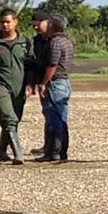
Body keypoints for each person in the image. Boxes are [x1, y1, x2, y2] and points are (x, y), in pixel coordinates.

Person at [0, 9, 35, 165]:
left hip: (19, 87)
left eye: (8, 22)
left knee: (15, 118)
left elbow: (30, 65)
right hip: (0, 85)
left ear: (16, 22)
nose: (5, 25)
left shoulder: (25, 42)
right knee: (9, 118)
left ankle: (2, 150)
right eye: (2, 22)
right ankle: (18, 153)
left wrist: (30, 84)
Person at [37, 14, 73, 162]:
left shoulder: (55, 42)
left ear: (52, 25)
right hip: (65, 82)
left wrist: (43, 83)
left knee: (54, 119)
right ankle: (61, 151)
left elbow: (52, 65)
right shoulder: (67, 41)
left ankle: (54, 152)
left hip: (56, 83)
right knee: (62, 118)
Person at [27, 9, 52, 156]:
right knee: (46, 113)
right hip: (41, 80)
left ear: (47, 22)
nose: (35, 27)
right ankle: (47, 145)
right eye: (33, 25)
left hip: (51, 82)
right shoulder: (37, 40)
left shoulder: (53, 39)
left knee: (53, 114)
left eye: (38, 24)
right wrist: (34, 82)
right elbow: (36, 62)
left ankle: (53, 147)